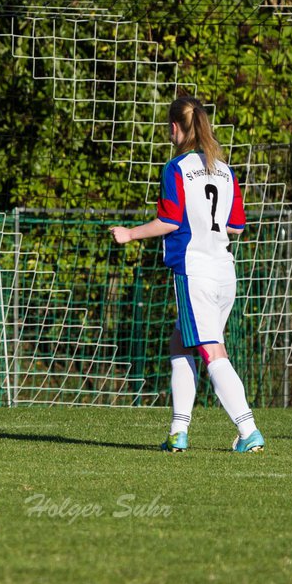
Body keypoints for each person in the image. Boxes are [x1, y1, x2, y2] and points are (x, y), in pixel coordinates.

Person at [110, 95, 265, 453]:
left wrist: (130, 234)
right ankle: (178, 432)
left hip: (195, 272)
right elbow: (237, 228)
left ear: (176, 128)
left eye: (169, 128)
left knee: (212, 351)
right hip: (224, 272)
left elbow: (169, 220)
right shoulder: (225, 171)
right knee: (180, 344)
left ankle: (248, 430)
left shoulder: (176, 168)